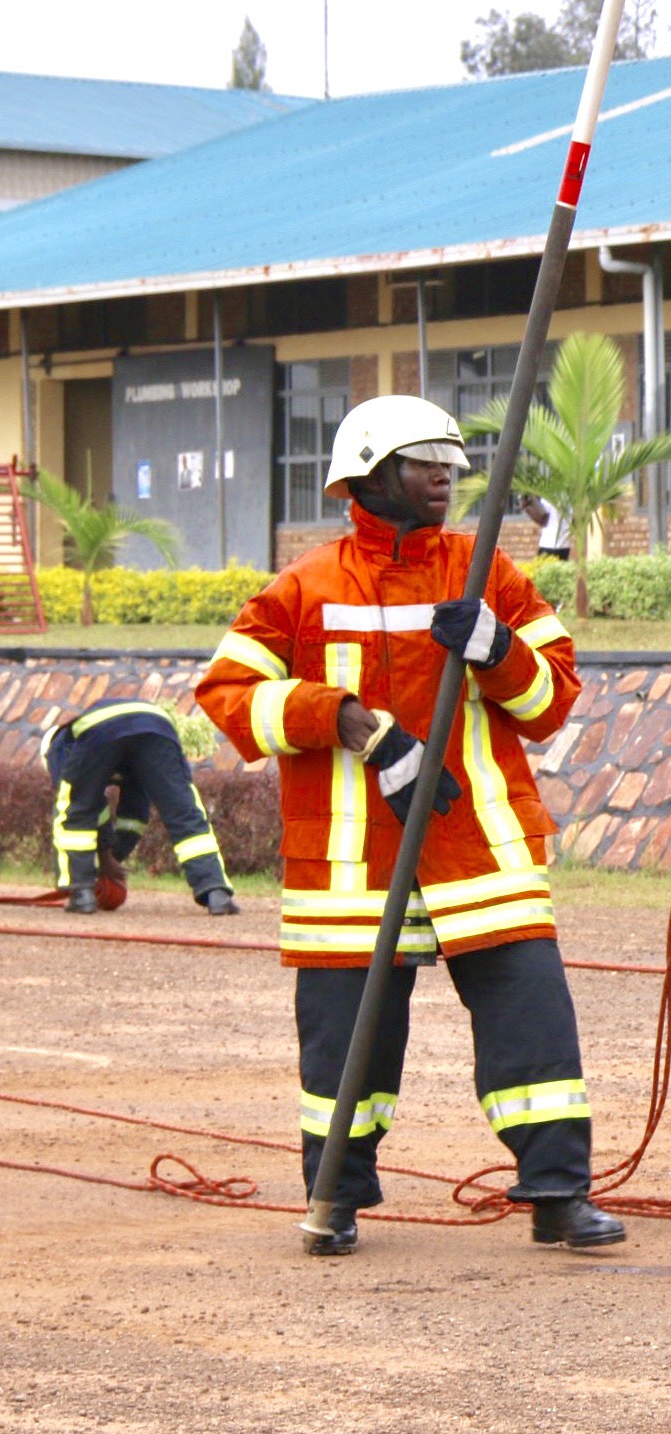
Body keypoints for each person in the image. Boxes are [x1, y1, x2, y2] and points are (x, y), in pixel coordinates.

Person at [196, 394, 622, 1256]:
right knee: (346, 1044)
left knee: (534, 1024)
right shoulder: (305, 586)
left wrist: (498, 648)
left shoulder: (486, 573)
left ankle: (556, 1193)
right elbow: (226, 695)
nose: (444, 473)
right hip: (351, 861)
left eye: (451, 459)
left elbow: (552, 702)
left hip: (479, 848)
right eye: (421, 458)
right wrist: (345, 717)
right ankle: (335, 1196)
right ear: (367, 474)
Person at [43, 700, 236, 916]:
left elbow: (84, 804)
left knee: (74, 810)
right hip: (156, 725)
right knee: (183, 811)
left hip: (101, 730)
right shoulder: (123, 757)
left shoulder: (59, 747)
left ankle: (80, 893)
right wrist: (114, 856)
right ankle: (215, 891)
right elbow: (134, 816)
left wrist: (106, 858)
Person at [520, 493, 571, 562]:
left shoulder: (548, 497)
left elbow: (541, 517)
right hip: (563, 544)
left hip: (549, 543)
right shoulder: (568, 499)